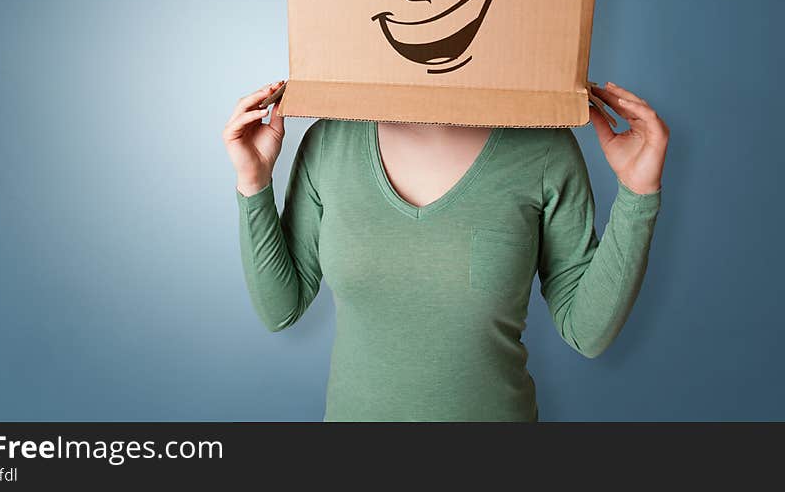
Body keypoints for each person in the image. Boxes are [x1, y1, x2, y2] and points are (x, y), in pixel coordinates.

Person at [222, 79, 669, 421]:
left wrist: (637, 194)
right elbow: (281, 308)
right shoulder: (330, 142)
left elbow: (586, 333)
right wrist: (254, 184)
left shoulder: (544, 148)